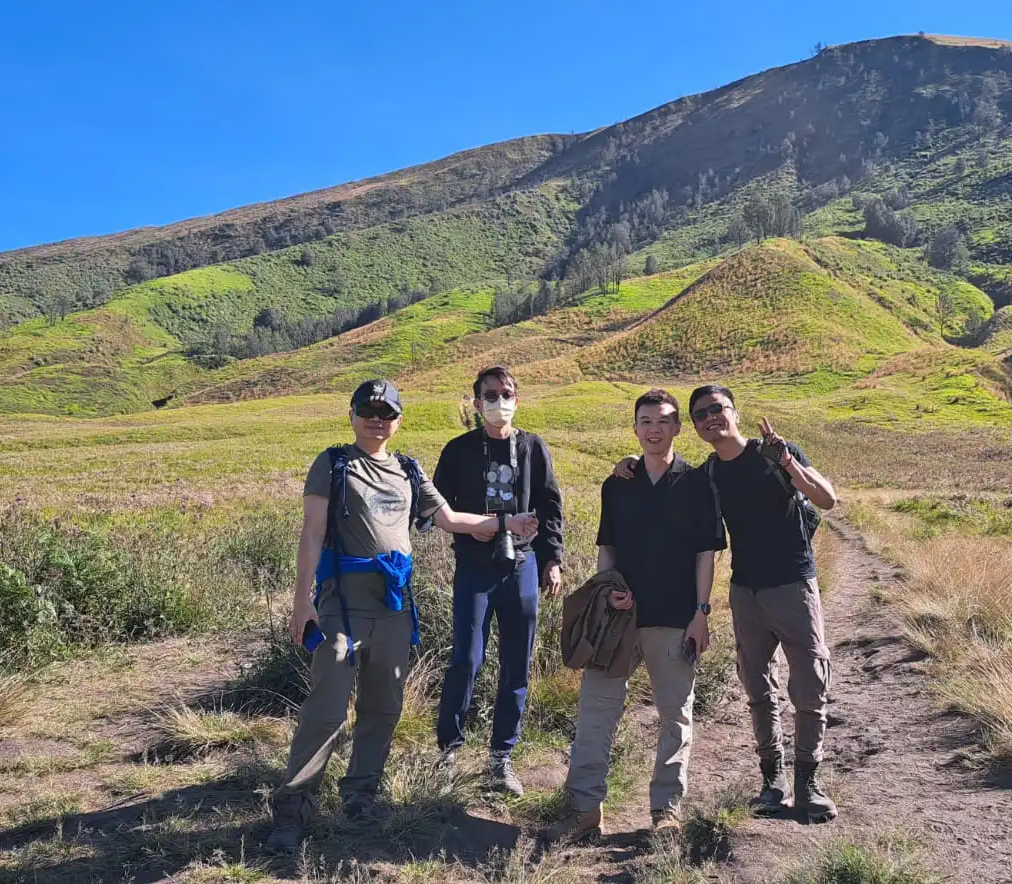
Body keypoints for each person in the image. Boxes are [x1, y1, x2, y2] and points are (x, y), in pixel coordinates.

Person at [265, 379, 540, 853]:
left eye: (387, 413)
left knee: (383, 707)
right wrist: (301, 601)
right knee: (327, 709)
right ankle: (293, 810)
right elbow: (311, 533)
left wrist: (504, 524)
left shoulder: (409, 470)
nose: (377, 420)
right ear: (352, 415)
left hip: (394, 608)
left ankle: (361, 799)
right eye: (368, 411)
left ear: (398, 421)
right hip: (342, 605)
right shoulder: (334, 464)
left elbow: (451, 519)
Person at [615, 384, 839, 822]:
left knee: (809, 685)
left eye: (717, 409)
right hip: (745, 592)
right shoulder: (710, 474)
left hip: (793, 585)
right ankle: (772, 782)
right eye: (700, 414)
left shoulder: (775, 452)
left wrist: (788, 463)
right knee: (758, 688)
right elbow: (672, 487)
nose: (710, 418)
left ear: (735, 412)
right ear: (694, 426)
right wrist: (630, 464)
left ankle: (808, 783)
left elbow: (827, 499)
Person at [549, 390, 722, 843]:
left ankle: (667, 811)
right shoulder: (617, 484)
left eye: (663, 421)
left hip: (676, 618)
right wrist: (607, 593)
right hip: (618, 623)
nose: (654, 429)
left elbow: (706, 554)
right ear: (634, 428)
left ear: (677, 427)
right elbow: (608, 549)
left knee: (675, 717)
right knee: (595, 713)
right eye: (646, 421)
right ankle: (584, 810)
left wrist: (701, 613)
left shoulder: (697, 483)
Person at [433, 366, 565, 796]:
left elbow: (550, 505)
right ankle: (448, 752)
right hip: (475, 566)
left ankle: (500, 758)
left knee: (516, 663)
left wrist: (552, 560)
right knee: (466, 659)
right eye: (490, 395)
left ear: (517, 400)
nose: (498, 401)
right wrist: (473, 529)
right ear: (476, 404)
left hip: (522, 564)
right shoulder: (458, 451)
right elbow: (438, 508)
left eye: (506, 394)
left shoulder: (533, 447)